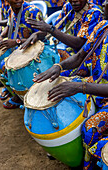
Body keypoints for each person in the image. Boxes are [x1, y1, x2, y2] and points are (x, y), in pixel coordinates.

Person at [32, 0, 108, 169]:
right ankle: (64, 145)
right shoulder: (102, 26)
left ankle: (88, 164)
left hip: (103, 93)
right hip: (94, 81)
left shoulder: (94, 14)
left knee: (89, 129)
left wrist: (80, 87)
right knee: (55, 86)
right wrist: (59, 67)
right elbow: (80, 55)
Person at [20, 0, 103, 77]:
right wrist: (37, 34)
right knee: (38, 65)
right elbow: (55, 29)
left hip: (86, 59)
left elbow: (79, 44)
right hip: (69, 53)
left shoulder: (94, 13)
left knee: (50, 76)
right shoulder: (68, 6)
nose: (74, 1)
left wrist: (50, 29)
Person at [0, 0, 43, 108]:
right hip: (21, 49)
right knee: (5, 65)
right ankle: (18, 94)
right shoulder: (11, 10)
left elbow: (43, 34)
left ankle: (23, 97)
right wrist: (1, 36)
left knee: (7, 67)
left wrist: (16, 42)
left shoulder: (33, 11)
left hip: (36, 49)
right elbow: (9, 25)